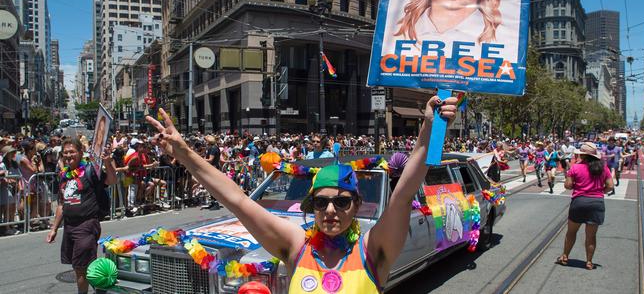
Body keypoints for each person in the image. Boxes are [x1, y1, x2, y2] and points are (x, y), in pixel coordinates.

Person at [145, 94, 457, 292]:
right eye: (321, 202)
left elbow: (402, 195)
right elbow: (238, 199)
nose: (330, 210)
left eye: (341, 201)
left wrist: (428, 129)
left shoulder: (373, 249)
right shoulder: (297, 246)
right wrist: (185, 153)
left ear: (356, 204)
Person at [46, 138, 117, 294]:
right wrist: (54, 229)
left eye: (72, 151)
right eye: (65, 152)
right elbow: (61, 204)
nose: (68, 155)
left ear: (80, 153)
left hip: (86, 226)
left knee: (80, 268)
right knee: (86, 265)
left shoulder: (90, 170)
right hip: (69, 227)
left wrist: (107, 161)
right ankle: (102, 289)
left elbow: (112, 180)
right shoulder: (65, 175)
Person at [557, 142, 614, 270]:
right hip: (597, 203)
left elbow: (568, 185)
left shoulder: (575, 168)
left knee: (571, 232)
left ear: (582, 155)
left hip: (579, 201)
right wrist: (599, 192)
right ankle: (589, 262)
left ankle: (565, 256)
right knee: (591, 236)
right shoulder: (603, 168)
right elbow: (610, 186)